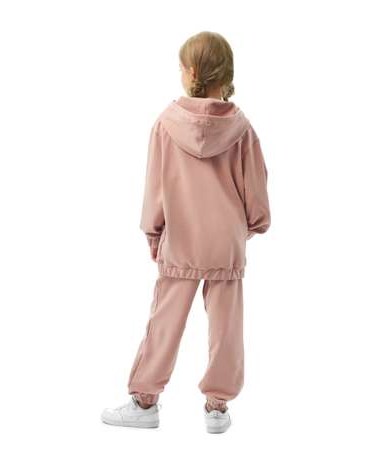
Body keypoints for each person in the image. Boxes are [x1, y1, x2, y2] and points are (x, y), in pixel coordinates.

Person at [101, 31, 271, 434]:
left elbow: (155, 186)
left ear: (191, 72)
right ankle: (217, 407)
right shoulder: (242, 129)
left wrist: (153, 232)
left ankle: (145, 402)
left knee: (164, 321)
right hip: (226, 241)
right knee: (226, 327)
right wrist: (253, 224)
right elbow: (256, 190)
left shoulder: (166, 124)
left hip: (181, 237)